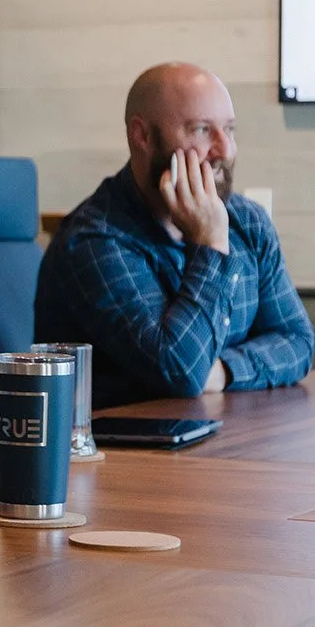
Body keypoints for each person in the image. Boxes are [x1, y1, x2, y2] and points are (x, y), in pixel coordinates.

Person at [35, 62, 314, 408]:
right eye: (201, 130)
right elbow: (181, 370)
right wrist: (210, 243)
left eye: (229, 129)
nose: (225, 149)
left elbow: (298, 341)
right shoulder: (95, 241)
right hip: (124, 453)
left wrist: (223, 371)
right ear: (143, 136)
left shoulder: (246, 222)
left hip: (220, 439)